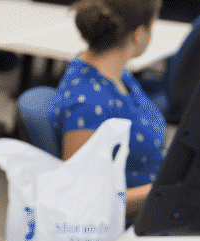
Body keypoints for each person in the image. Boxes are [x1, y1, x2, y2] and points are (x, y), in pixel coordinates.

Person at [51, 0, 164, 218]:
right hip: (132, 223)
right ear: (139, 34)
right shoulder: (88, 106)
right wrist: (163, 193)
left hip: (155, 200)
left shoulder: (116, 74)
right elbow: (83, 202)